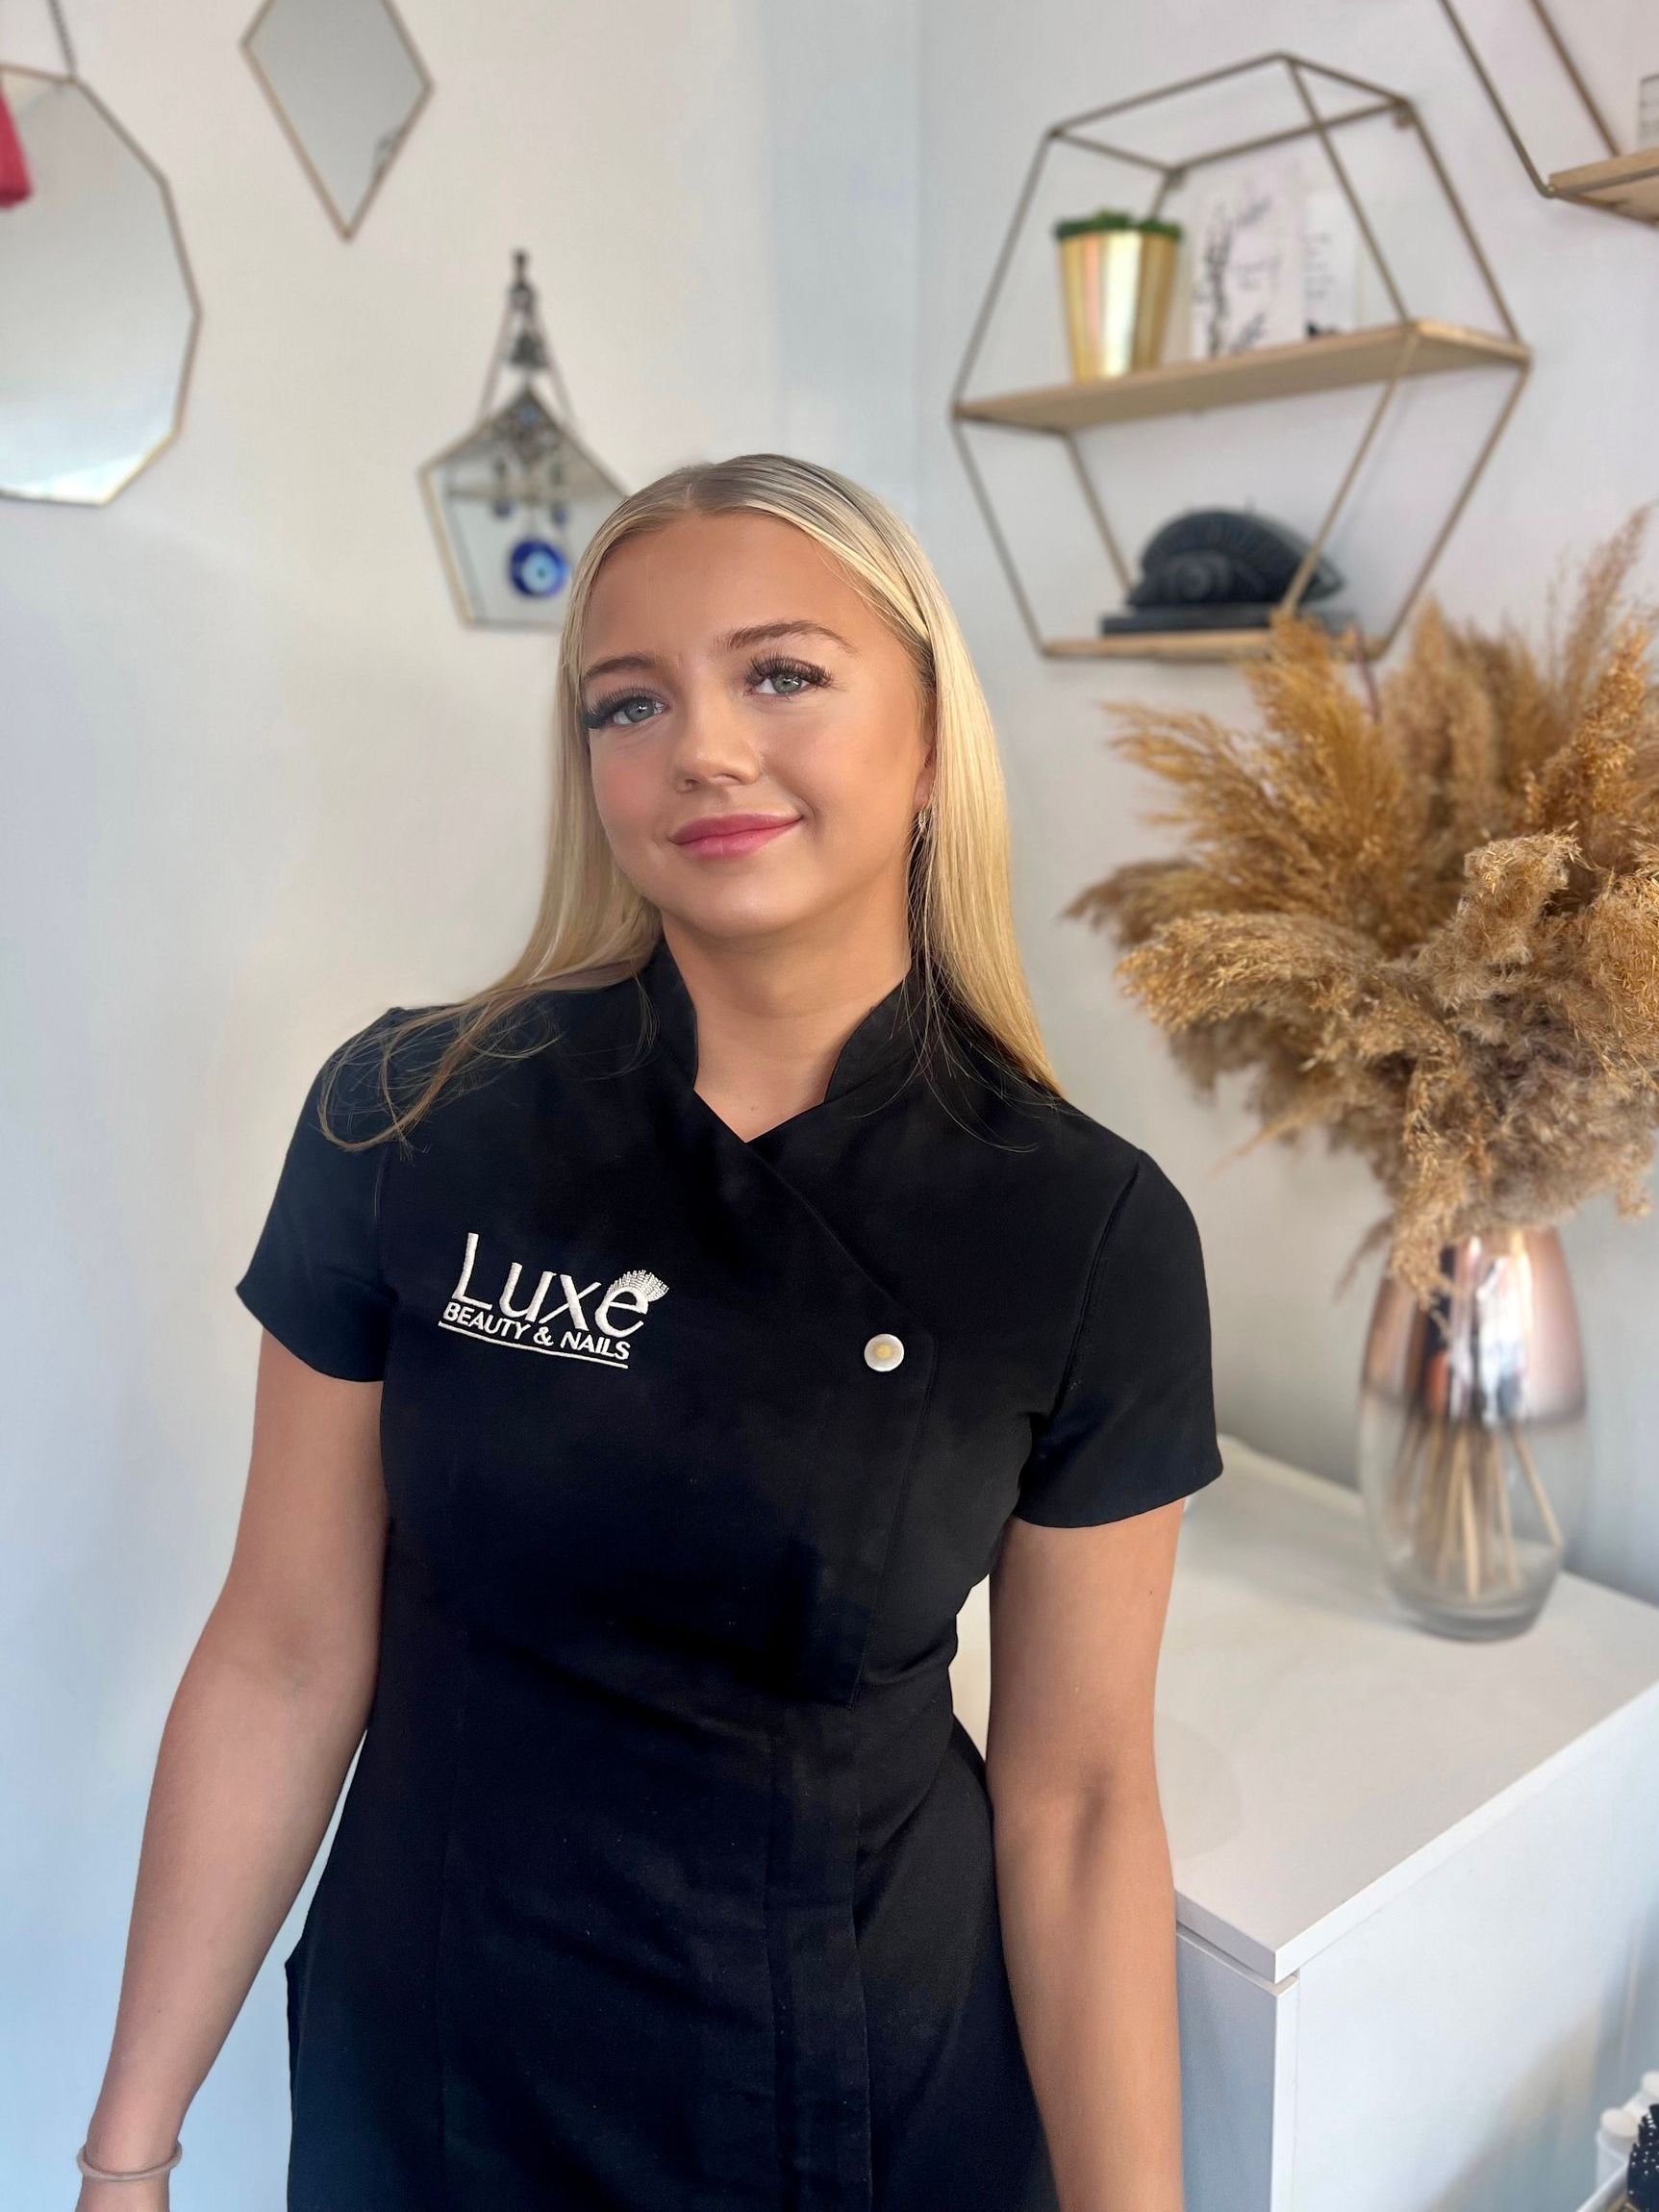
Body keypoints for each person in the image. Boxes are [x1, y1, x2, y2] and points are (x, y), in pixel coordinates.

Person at [75, 453, 1224, 2212]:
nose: (703, 748)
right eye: (630, 702)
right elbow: (283, 1656)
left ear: (930, 738)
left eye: (781, 674)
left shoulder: (1083, 1228)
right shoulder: (410, 1117)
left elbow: (1075, 1805)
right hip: (438, 2068)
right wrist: (125, 2156)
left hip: (850, 2092)